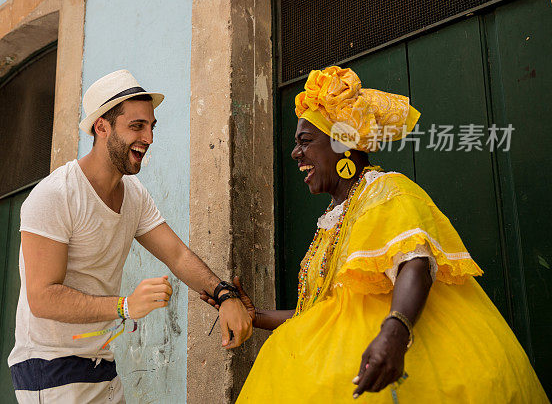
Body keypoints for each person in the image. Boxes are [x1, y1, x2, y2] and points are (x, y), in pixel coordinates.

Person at [221, 66, 547, 402]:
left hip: (402, 364)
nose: (295, 153)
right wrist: (256, 316)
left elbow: (415, 263)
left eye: (306, 141)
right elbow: (328, 310)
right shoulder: (334, 218)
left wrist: (393, 334)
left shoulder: (385, 189)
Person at [8, 69, 253, 403]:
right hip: (49, 369)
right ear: (102, 127)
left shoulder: (134, 195)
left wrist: (225, 295)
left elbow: (178, 256)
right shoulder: (56, 194)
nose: (149, 137)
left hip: (101, 363)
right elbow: (42, 298)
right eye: (137, 126)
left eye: (151, 126)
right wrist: (125, 305)